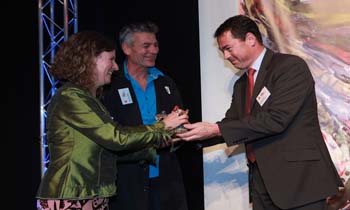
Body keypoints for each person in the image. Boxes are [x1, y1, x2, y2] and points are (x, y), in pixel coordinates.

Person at [177, 15, 344, 210]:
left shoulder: (289, 67)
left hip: (300, 181)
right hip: (262, 181)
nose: (226, 57)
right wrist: (189, 134)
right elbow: (230, 123)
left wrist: (215, 129)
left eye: (228, 48)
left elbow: (276, 119)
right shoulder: (241, 84)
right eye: (223, 51)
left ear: (250, 39)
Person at [36, 31, 188, 210]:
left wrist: (164, 141)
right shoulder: (71, 97)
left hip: (92, 195)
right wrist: (163, 126)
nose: (116, 67)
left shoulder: (89, 98)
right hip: (71, 196)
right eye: (111, 59)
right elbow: (116, 137)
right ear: (91, 60)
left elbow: (109, 151)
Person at [102, 21, 188, 210]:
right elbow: (110, 135)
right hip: (126, 183)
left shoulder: (165, 82)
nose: (154, 50)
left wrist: (176, 138)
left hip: (166, 179)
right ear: (126, 48)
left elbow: (180, 125)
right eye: (146, 46)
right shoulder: (110, 85)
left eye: (156, 45)